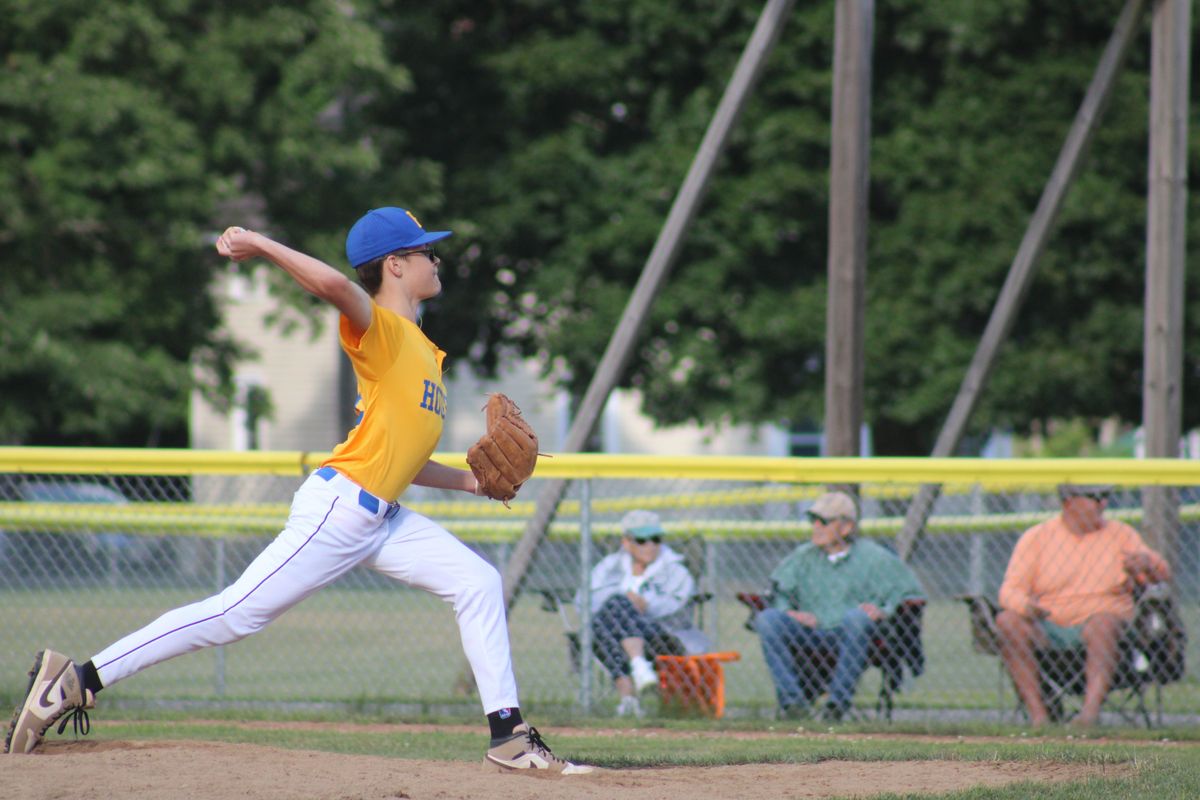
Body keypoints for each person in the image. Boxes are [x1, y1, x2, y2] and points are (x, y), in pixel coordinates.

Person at [4, 207, 593, 774]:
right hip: (338, 510)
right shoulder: (382, 329)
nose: (436, 260)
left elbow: (404, 457)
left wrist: (470, 482)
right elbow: (336, 286)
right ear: (394, 265)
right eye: (425, 252)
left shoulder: (420, 350)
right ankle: (77, 679)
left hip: (382, 516)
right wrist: (259, 243)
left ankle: (508, 737)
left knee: (477, 581)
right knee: (235, 614)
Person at [996, 483, 1171, 727]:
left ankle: (1088, 716)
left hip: (1106, 636)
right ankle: (1039, 719)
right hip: (1050, 631)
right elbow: (1009, 591)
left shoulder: (1121, 534)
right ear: (1069, 502)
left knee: (1103, 623)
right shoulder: (1037, 537)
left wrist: (1147, 565)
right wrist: (1026, 607)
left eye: (1106, 497)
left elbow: (1161, 574)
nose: (1103, 504)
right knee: (1007, 621)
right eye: (1095, 497)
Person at [755, 491, 925, 722]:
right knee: (768, 619)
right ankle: (794, 704)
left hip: (852, 635)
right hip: (811, 633)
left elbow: (910, 592)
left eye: (824, 521)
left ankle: (836, 705)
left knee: (856, 618)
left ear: (846, 527)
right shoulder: (802, 556)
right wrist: (790, 613)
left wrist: (884, 610)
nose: (816, 526)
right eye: (813, 520)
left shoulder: (874, 557)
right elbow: (778, 593)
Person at [580, 510, 708, 718]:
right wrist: (625, 600)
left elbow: (676, 605)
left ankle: (627, 695)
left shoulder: (676, 570)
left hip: (661, 633)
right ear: (626, 542)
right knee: (615, 606)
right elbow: (583, 600)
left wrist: (646, 605)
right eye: (642, 540)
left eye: (656, 539)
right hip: (611, 629)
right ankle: (639, 669)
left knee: (610, 615)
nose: (650, 546)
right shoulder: (609, 566)